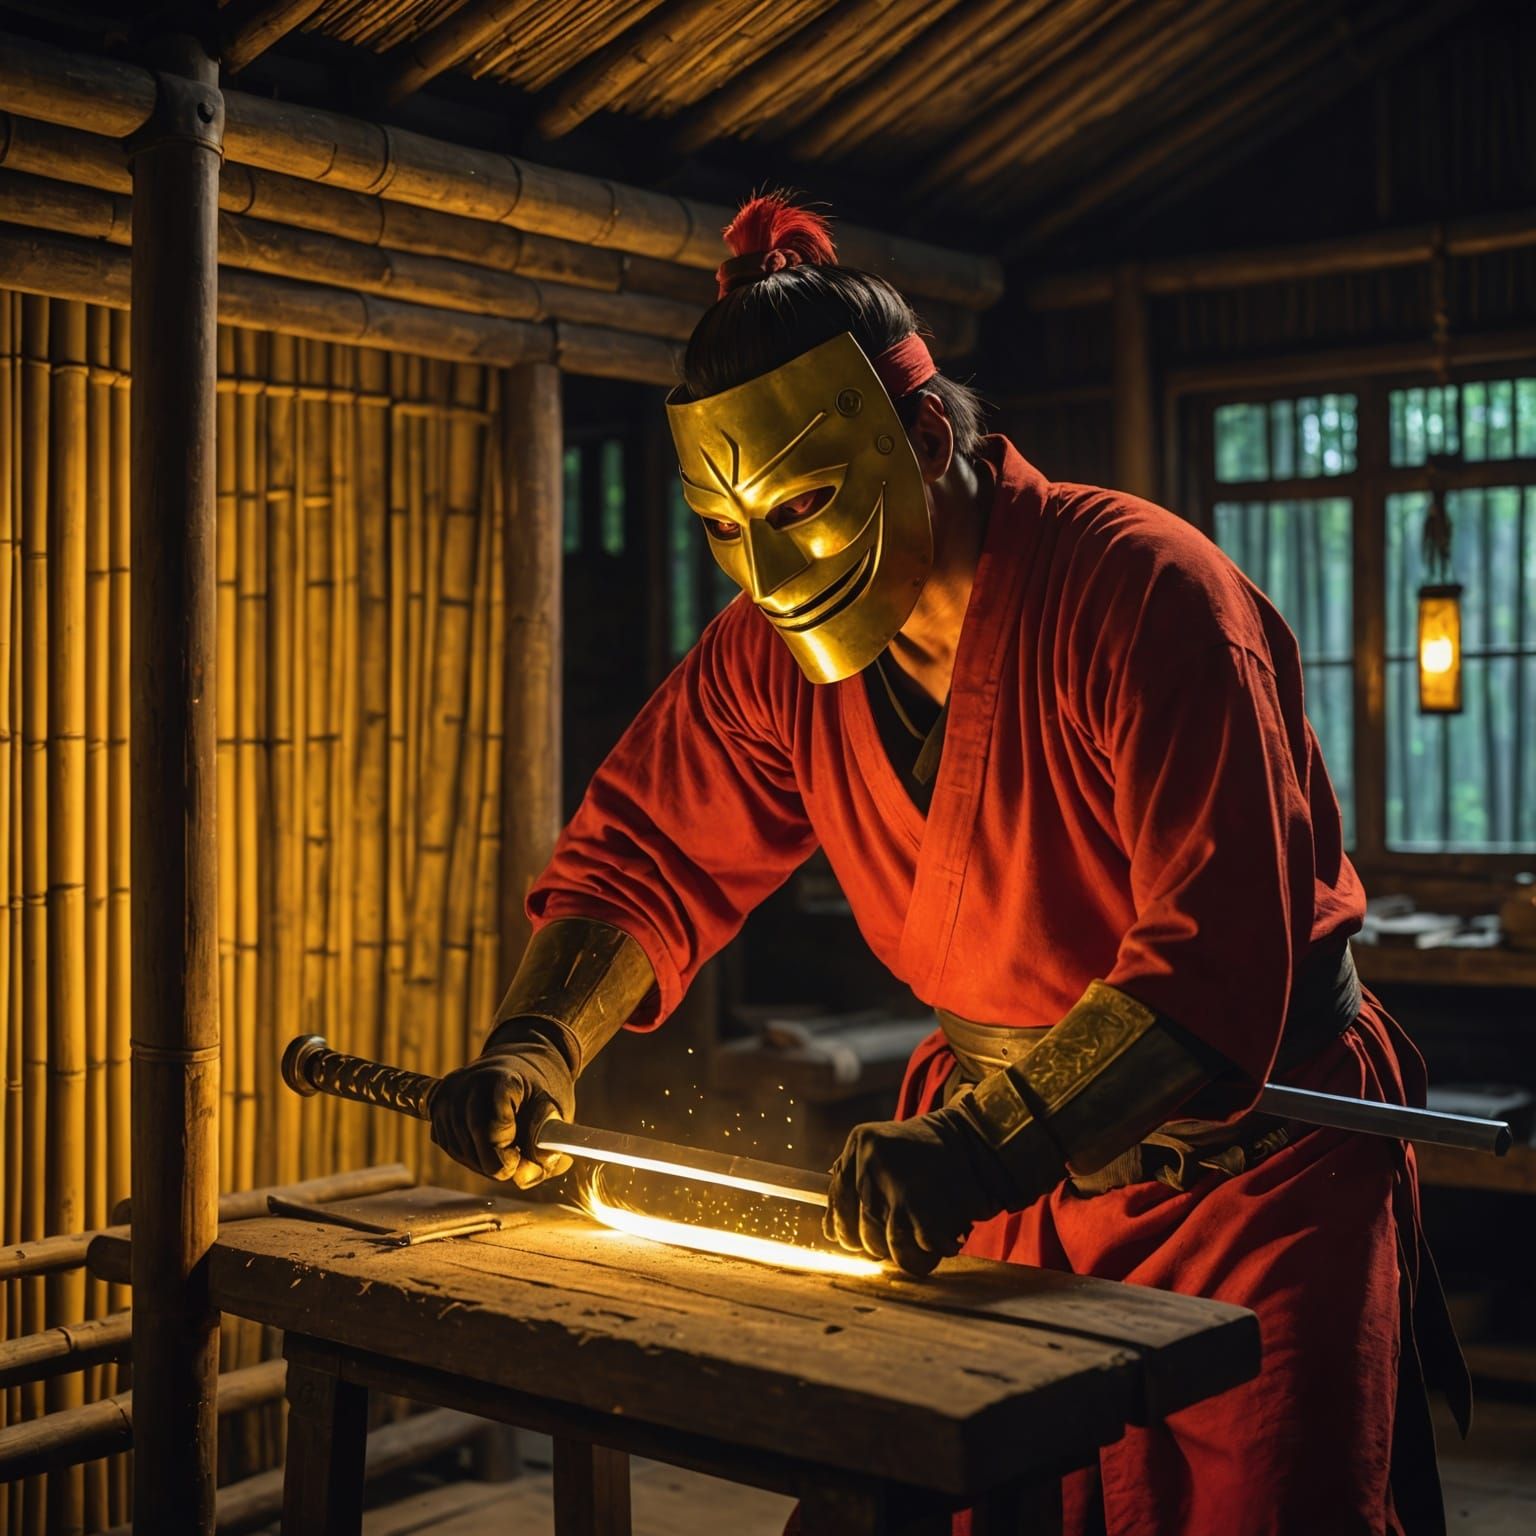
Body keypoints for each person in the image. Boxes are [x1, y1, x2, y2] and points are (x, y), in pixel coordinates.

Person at [429, 194, 1465, 1535]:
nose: (773, 566)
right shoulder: (768, 653)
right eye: (728, 532)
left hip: (1245, 1180)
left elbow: (1210, 963)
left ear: (925, 435)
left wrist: (982, 1146)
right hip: (990, 1187)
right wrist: (534, 1040)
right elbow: (645, 852)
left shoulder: (1149, 595)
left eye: (800, 502)